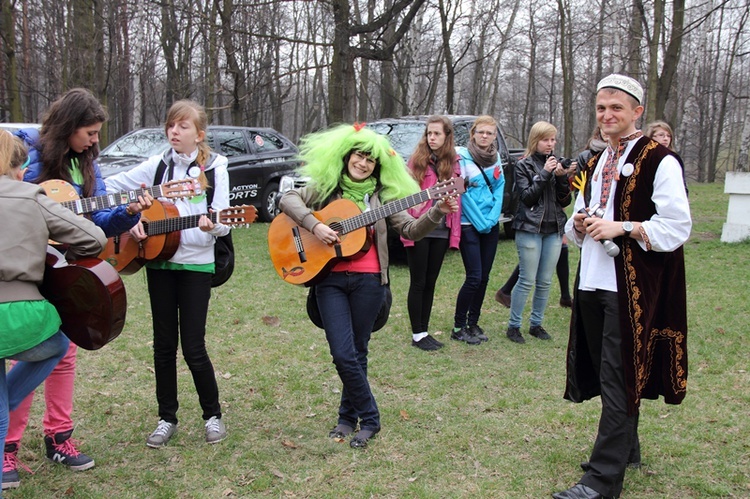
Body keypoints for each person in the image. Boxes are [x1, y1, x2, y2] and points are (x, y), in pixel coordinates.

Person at [553, 74, 691, 499]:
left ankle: (602, 480)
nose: (607, 115)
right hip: (593, 281)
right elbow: (574, 225)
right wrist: (577, 223)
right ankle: (626, 446)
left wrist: (624, 227)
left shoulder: (660, 160)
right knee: (606, 369)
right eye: (600, 108)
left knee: (618, 373)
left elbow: (677, 227)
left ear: (636, 112)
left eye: (616, 108)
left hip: (630, 286)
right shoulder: (593, 164)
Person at [278, 124, 457, 448]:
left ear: (378, 167)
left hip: (370, 281)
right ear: (347, 157)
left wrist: (437, 210)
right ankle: (371, 416)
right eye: (359, 156)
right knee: (342, 353)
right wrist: (315, 225)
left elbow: (412, 230)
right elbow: (287, 198)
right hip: (329, 280)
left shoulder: (383, 198)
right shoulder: (326, 189)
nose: (363, 164)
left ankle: (348, 419)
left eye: (370, 161)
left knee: (357, 352)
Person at [4, 88, 149, 488]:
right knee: (25, 351)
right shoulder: (27, 156)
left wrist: (126, 213)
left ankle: (59, 436)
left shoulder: (87, 167)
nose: (94, 140)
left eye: (97, 133)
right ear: (68, 126)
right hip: (28, 268)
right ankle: (7, 446)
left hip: (68, 265)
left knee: (65, 352)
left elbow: (97, 221)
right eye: (89, 132)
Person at [104, 100, 230, 448]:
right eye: (171, 125)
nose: (174, 131)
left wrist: (213, 225)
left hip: (196, 265)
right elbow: (110, 186)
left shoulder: (217, 166)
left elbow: (222, 221)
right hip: (159, 261)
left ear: (199, 134)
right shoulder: (158, 164)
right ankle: (166, 417)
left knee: (193, 346)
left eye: (183, 126)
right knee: (162, 346)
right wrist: (133, 222)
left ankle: (212, 415)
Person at [1, 131, 107, 495]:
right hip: (23, 316)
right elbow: (94, 238)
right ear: (20, 168)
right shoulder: (32, 196)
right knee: (59, 342)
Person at [504, 121, 571, 344]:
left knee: (545, 281)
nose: (550, 144)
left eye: (553, 139)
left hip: (554, 230)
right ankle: (514, 326)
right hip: (530, 229)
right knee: (526, 279)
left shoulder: (556, 164)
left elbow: (565, 200)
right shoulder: (523, 165)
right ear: (535, 140)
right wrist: (545, 173)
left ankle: (536, 324)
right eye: (545, 140)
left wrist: (561, 177)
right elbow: (527, 197)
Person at [401, 116, 462, 351]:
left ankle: (424, 330)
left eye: (437, 134)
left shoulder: (453, 163)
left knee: (430, 282)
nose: (432, 138)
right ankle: (417, 334)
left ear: (447, 136)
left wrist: (454, 235)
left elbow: (457, 202)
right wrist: (411, 223)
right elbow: (405, 197)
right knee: (418, 282)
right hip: (418, 228)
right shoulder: (416, 161)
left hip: (441, 229)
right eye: (429, 133)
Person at [451, 115, 505, 345]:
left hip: (490, 223)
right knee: (473, 277)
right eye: (481, 132)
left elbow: (500, 187)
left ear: (494, 136)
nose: (485, 136)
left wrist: (493, 218)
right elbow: (460, 191)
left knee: (484, 277)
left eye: (489, 133)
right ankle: (458, 326)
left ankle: (473, 322)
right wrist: (480, 220)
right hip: (469, 223)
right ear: (473, 133)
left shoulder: (496, 157)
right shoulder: (461, 156)